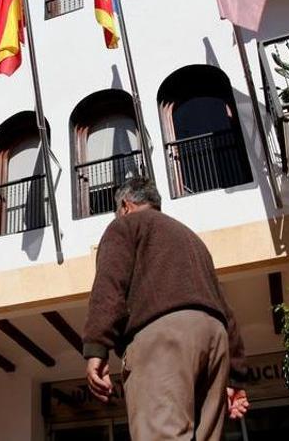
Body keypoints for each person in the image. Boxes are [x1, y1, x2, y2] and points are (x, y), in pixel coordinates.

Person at [82, 176, 249, 440]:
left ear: (125, 206)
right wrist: (235, 378)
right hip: (215, 339)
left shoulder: (125, 226)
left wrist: (96, 348)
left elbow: (110, 283)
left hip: (163, 337)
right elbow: (224, 307)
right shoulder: (192, 239)